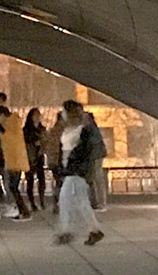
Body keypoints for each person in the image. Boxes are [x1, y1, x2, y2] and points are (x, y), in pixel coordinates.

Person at [53, 99, 104, 246]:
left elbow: (85, 151)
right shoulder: (70, 128)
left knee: (65, 199)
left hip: (76, 170)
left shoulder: (84, 130)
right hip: (71, 168)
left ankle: (67, 231)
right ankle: (94, 230)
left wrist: (75, 163)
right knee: (81, 201)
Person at [0, 95, 32, 218]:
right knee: (13, 187)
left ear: (3, 115)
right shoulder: (11, 124)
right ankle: (22, 210)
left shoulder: (12, 124)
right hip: (14, 161)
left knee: (13, 187)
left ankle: (23, 211)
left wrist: (1, 135)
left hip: (15, 161)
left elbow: (12, 140)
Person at [22, 108, 48, 212]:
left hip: (39, 156)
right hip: (29, 157)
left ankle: (42, 201)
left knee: (41, 180)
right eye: (35, 115)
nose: (37, 117)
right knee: (30, 181)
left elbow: (46, 142)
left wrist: (42, 144)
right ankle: (32, 202)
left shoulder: (42, 129)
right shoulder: (27, 130)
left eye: (38, 115)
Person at [82, 109, 108, 210]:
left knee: (97, 178)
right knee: (94, 179)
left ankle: (100, 202)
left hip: (95, 157)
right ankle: (97, 201)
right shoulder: (92, 129)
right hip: (95, 156)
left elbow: (91, 144)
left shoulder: (91, 130)